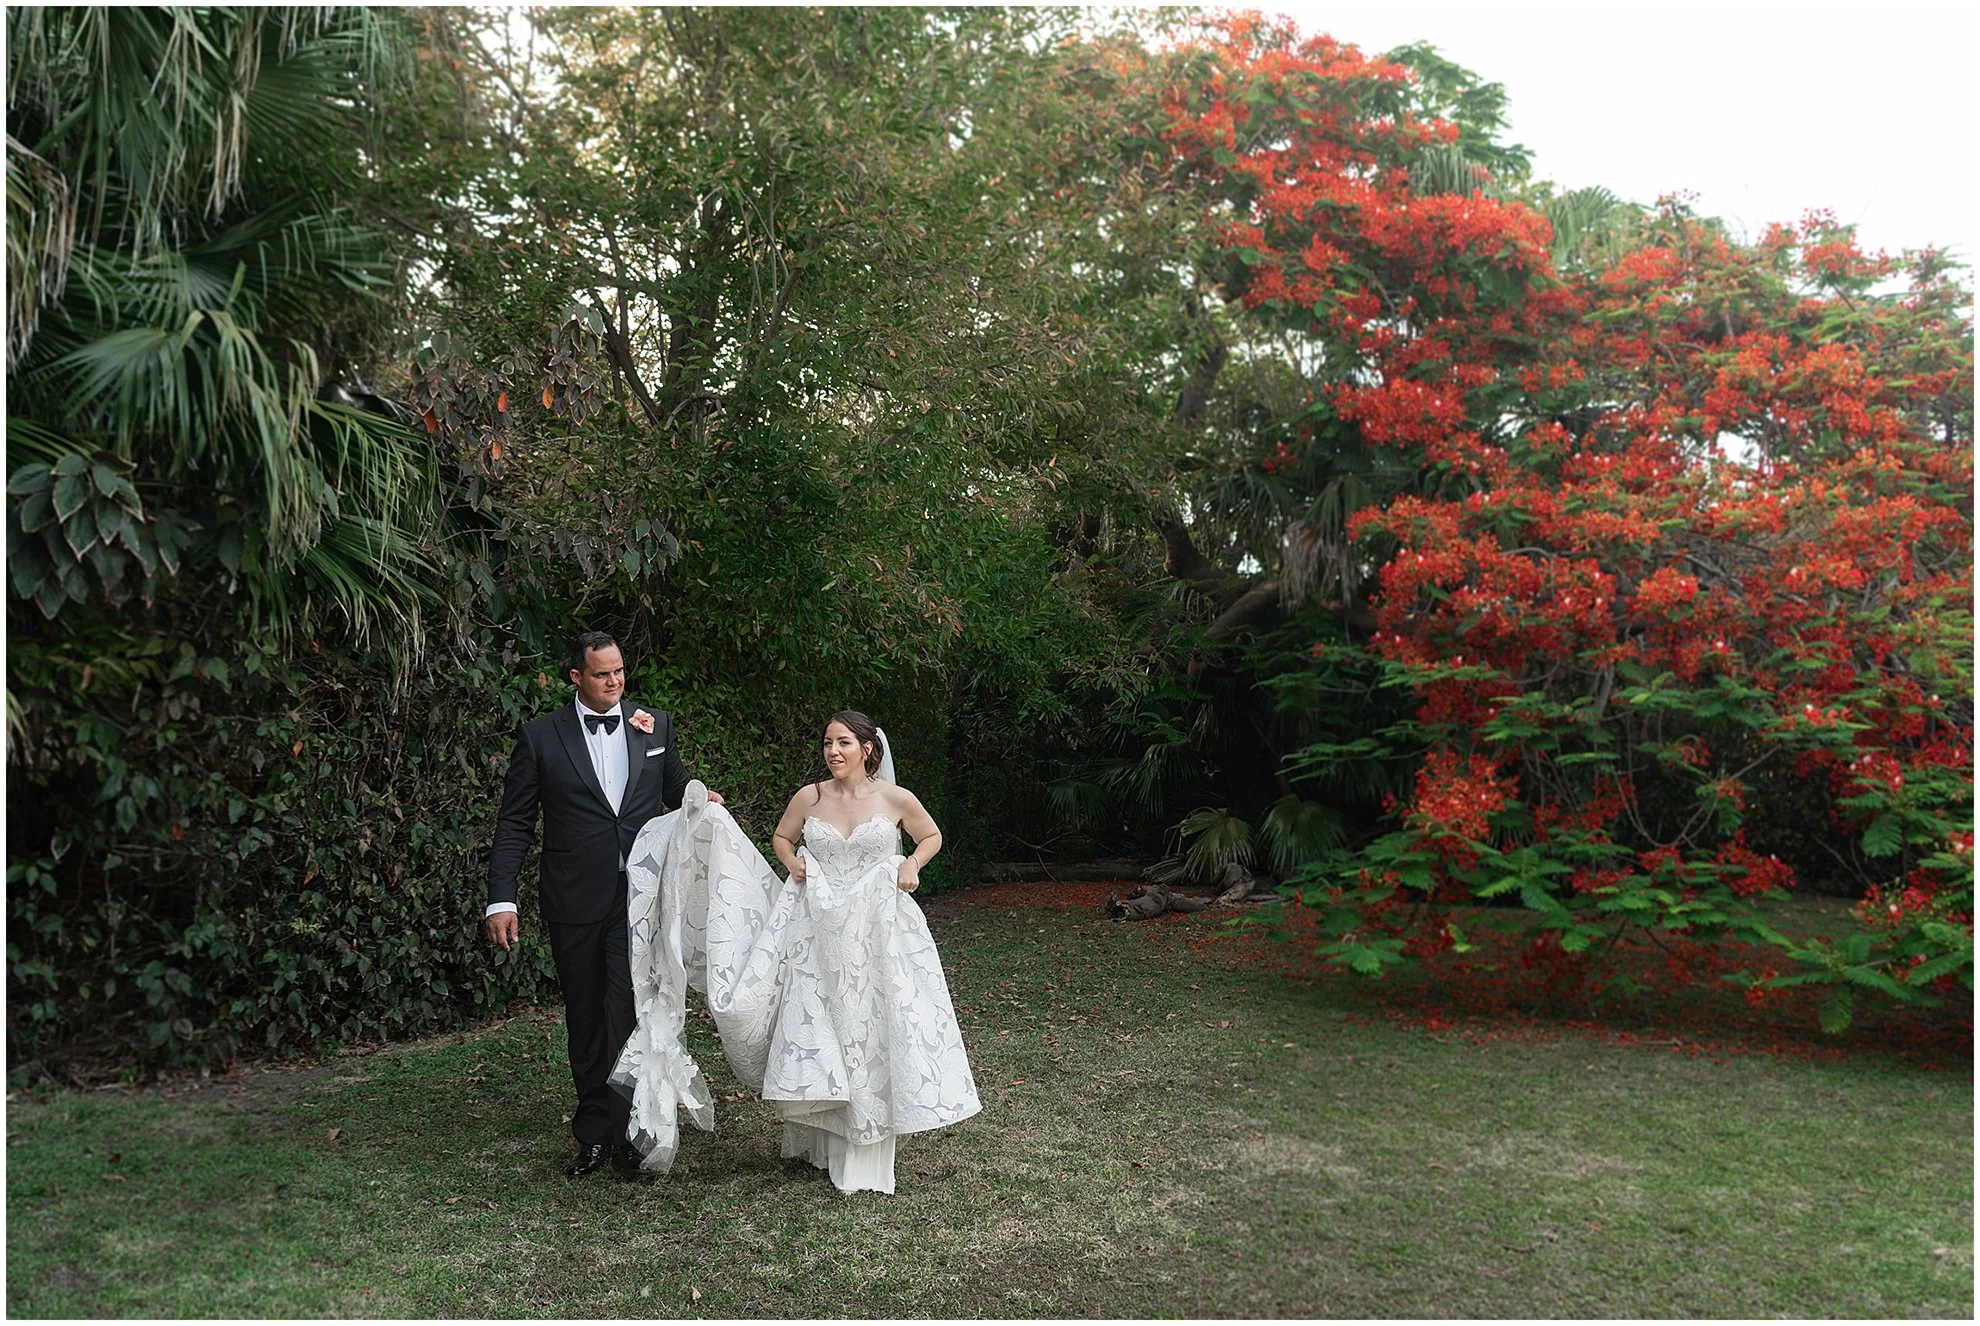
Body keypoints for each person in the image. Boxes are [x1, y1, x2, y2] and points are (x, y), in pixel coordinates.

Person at [612, 711, 980, 1194]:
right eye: (828, 743)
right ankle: (825, 1142)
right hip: (815, 933)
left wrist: (910, 863)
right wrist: (793, 863)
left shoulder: (895, 798)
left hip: (876, 932)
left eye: (844, 742)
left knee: (873, 1026)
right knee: (825, 1027)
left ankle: (870, 1152)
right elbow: (782, 838)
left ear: (868, 749)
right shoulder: (810, 797)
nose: (833, 752)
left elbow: (930, 836)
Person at [484, 630, 722, 1179]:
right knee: (587, 1017)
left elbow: (673, 788)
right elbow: (516, 822)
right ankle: (591, 1132)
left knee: (627, 1011)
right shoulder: (540, 737)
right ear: (576, 678)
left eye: (619, 671)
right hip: (573, 898)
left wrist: (697, 796)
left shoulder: (654, 724)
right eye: (601, 674)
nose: (615, 682)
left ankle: (632, 1134)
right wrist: (502, 898)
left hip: (640, 899)